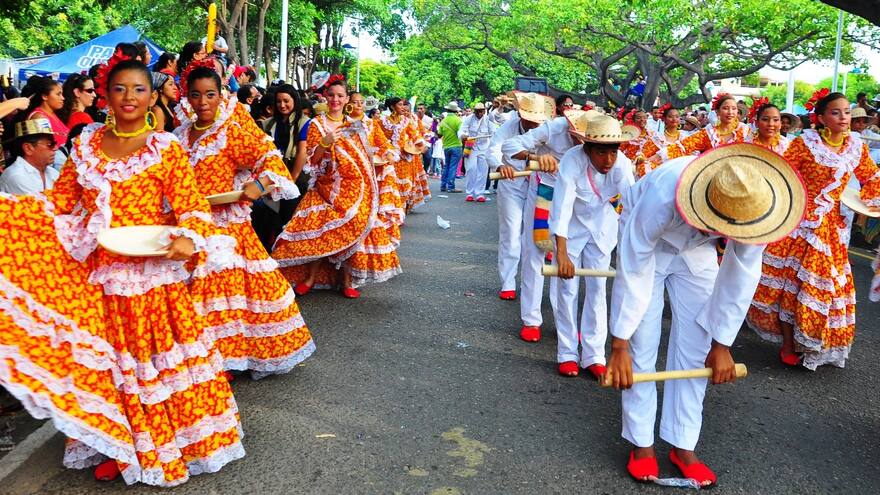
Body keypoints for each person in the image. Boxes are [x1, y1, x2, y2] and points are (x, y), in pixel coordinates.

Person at [0, 56, 244, 485]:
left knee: (153, 362)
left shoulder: (164, 147)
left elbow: (191, 206)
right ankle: (119, 442)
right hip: (103, 274)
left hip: (153, 277)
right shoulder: (87, 144)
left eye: (138, 89)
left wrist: (188, 238)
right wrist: (15, 218)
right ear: (106, 95)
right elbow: (62, 202)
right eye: (118, 89)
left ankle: (171, 442)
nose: (128, 97)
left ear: (152, 96)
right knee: (113, 364)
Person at [607, 144, 806, 488]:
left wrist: (723, 343)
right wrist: (619, 342)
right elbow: (634, 267)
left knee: (698, 345)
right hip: (650, 244)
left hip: (697, 249)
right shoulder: (663, 195)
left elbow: (740, 276)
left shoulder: (756, 206)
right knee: (642, 339)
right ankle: (642, 443)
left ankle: (682, 444)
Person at [175, 63, 315, 377]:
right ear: (188, 98)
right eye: (195, 95)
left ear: (220, 94)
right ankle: (201, 356)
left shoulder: (230, 130)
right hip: (188, 224)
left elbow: (269, 159)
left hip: (228, 226)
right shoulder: (178, 136)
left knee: (227, 292)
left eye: (209, 94)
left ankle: (227, 359)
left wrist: (260, 185)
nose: (203, 102)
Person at [747, 91, 880, 369]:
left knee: (826, 290)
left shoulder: (857, 147)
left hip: (834, 230)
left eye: (846, 111)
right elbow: (781, 177)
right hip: (800, 225)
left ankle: (814, 342)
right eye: (836, 112)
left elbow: (872, 178)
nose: (844, 117)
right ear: (820, 118)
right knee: (791, 287)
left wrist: (870, 202)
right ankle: (787, 344)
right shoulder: (805, 144)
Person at [272, 77, 401, 299]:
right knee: (319, 229)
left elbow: (382, 145)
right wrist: (325, 142)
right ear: (325, 97)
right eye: (331, 95)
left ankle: (347, 280)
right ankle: (310, 278)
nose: (335, 99)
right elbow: (311, 161)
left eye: (340, 96)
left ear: (346, 99)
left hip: (356, 187)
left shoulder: (359, 124)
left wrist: (388, 153)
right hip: (325, 187)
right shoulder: (316, 124)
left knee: (356, 227)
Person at [551, 114, 635, 378]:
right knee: (566, 290)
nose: (608, 160)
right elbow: (562, 207)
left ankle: (594, 355)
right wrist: (562, 254)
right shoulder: (572, 161)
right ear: (587, 148)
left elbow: (629, 209)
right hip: (571, 231)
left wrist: (632, 256)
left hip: (602, 228)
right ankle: (567, 352)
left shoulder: (622, 165)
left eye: (612, 152)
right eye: (601, 153)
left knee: (598, 290)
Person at [502, 108, 590, 342]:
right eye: (577, 137)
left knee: (568, 258)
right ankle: (531, 320)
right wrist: (535, 158)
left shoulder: (599, 136)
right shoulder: (554, 127)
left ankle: (566, 322)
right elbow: (509, 147)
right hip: (544, 191)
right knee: (536, 253)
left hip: (575, 198)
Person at [489, 92, 555, 301]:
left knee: (537, 233)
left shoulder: (548, 128)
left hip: (540, 184)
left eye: (537, 119)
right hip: (513, 183)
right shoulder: (508, 126)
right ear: (520, 114)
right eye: (529, 118)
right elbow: (494, 149)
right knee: (510, 231)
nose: (534, 124)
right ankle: (508, 282)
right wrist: (500, 165)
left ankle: (531, 285)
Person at [0, 118, 60, 194]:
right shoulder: (16, 176)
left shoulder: (53, 173)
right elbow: (40, 205)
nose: (56, 148)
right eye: (50, 145)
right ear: (28, 148)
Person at [458, 102, 497, 202]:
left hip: (484, 148)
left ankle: (480, 193)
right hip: (471, 147)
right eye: (477, 111)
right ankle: (470, 193)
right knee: (471, 169)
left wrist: (493, 139)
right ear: (474, 111)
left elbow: (494, 132)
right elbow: (462, 130)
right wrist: (463, 135)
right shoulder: (469, 119)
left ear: (484, 111)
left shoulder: (488, 119)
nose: (479, 113)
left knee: (483, 171)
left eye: (481, 111)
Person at [635, 104, 684, 177]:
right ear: (664, 119)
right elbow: (644, 156)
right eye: (670, 116)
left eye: (677, 116)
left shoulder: (684, 136)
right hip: (661, 175)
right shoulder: (657, 137)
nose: (674, 119)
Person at [22, 76, 69, 150]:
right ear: (44, 96)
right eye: (58, 94)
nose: (63, 98)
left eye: (62, 94)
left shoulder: (53, 114)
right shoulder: (39, 117)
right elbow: (41, 150)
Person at [438, 102, 463, 192]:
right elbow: (461, 132)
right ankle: (451, 187)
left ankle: (443, 185)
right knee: (453, 167)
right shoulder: (458, 120)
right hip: (456, 146)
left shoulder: (443, 121)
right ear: (456, 110)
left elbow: (439, 134)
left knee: (446, 166)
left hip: (446, 147)